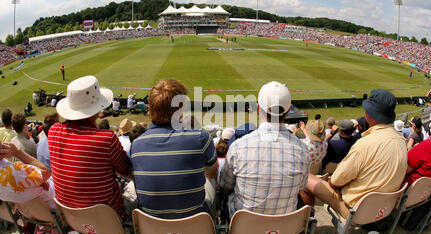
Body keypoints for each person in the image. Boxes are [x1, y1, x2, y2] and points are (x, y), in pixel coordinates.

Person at [301, 89, 408, 219]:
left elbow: (335, 181)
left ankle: (304, 224)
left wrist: (331, 181)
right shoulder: (402, 141)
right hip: (383, 208)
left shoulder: (365, 144)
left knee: (305, 179)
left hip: (356, 211)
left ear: (369, 114)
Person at [130, 79, 218, 220]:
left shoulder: (136, 144)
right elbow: (212, 173)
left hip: (153, 227)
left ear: (151, 107)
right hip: (194, 223)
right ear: (181, 108)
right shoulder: (200, 137)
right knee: (211, 180)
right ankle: (213, 223)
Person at [220, 81, 310, 218]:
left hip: (244, 229)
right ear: (288, 109)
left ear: (257, 108)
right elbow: (301, 187)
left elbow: (226, 184)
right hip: (285, 229)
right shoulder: (303, 150)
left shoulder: (239, 146)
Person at [48, 76, 132, 217]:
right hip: (109, 217)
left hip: (73, 216)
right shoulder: (106, 139)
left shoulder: (53, 131)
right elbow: (126, 170)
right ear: (97, 111)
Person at [0, 142, 56, 209]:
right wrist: (17, 152)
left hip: (36, 214)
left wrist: (40, 179)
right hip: (56, 205)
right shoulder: (13, 171)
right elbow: (46, 173)